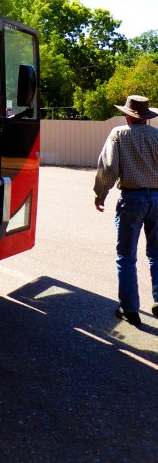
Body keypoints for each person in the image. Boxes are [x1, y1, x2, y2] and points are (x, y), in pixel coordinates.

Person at [94, 95, 158, 328]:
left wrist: (100, 193)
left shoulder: (119, 134)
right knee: (157, 254)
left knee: (127, 256)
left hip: (132, 199)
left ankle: (130, 309)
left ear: (128, 115)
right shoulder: (157, 136)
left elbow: (108, 167)